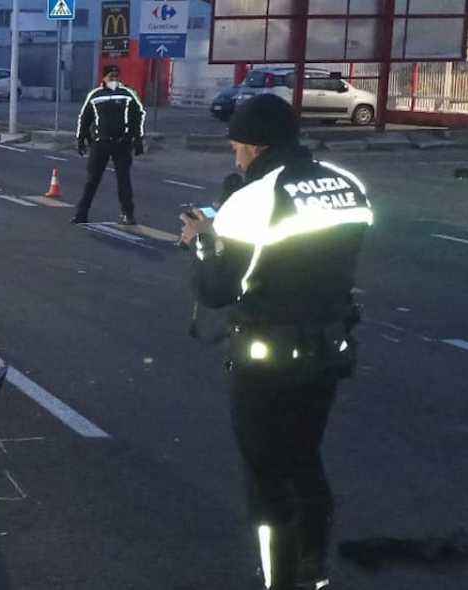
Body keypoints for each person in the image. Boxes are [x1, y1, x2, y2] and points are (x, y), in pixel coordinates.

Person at [179, 94, 372, 590]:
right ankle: (314, 569)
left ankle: (278, 580)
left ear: (255, 145)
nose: (234, 158)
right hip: (329, 347)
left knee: (266, 473)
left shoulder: (254, 199)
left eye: (237, 148)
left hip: (267, 357)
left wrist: (204, 239)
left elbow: (218, 290)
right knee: (305, 457)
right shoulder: (345, 184)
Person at [72, 65, 145, 225]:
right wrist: (80, 139)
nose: (114, 79)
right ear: (104, 77)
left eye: (116, 76)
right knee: (92, 180)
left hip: (121, 143)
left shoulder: (127, 94)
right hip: (100, 143)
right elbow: (84, 119)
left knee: (123, 180)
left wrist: (138, 139)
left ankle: (128, 214)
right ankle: (81, 214)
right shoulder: (95, 95)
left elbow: (138, 116)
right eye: (111, 76)